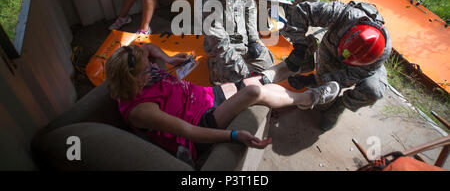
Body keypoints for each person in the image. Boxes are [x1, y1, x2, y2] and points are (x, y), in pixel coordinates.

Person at [105, 43, 339, 165]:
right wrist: (234, 135)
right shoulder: (141, 110)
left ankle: (291, 73)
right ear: (131, 79)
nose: (152, 68)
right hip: (201, 121)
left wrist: (165, 58)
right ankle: (309, 99)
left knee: (257, 80)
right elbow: (189, 132)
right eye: (147, 70)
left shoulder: (134, 64)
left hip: (203, 95)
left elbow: (148, 49)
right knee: (253, 92)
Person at [281, 0, 392, 131]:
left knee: (373, 90)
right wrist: (300, 46)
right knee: (322, 102)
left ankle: (340, 106)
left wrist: (313, 80)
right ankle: (313, 70)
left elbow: (352, 75)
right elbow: (302, 11)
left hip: (361, 69)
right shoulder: (341, 14)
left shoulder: (380, 53)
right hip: (331, 49)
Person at [201, 0, 274, 84]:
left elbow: (250, 10)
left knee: (270, 67)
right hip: (223, 51)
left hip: (244, 44)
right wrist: (245, 71)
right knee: (238, 84)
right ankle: (214, 67)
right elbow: (218, 44)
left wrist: (253, 40)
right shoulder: (209, 0)